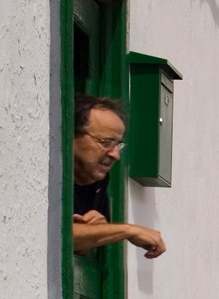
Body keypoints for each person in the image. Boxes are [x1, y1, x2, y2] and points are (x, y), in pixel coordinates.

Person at [71, 95, 165, 258]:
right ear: (71, 136)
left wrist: (95, 231)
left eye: (117, 145)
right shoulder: (47, 176)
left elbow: (81, 244)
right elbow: (55, 235)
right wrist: (127, 230)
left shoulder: (99, 181)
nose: (115, 155)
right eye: (105, 142)